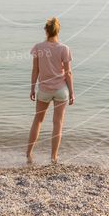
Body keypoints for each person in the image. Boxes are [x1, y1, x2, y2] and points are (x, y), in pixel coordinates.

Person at [26, 17, 74, 164]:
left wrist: (32, 88)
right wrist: (72, 93)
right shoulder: (64, 49)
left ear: (46, 31)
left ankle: (28, 154)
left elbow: (35, 70)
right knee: (57, 123)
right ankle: (54, 157)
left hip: (44, 90)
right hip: (61, 90)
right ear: (58, 31)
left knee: (38, 120)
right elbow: (68, 73)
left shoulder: (38, 48)